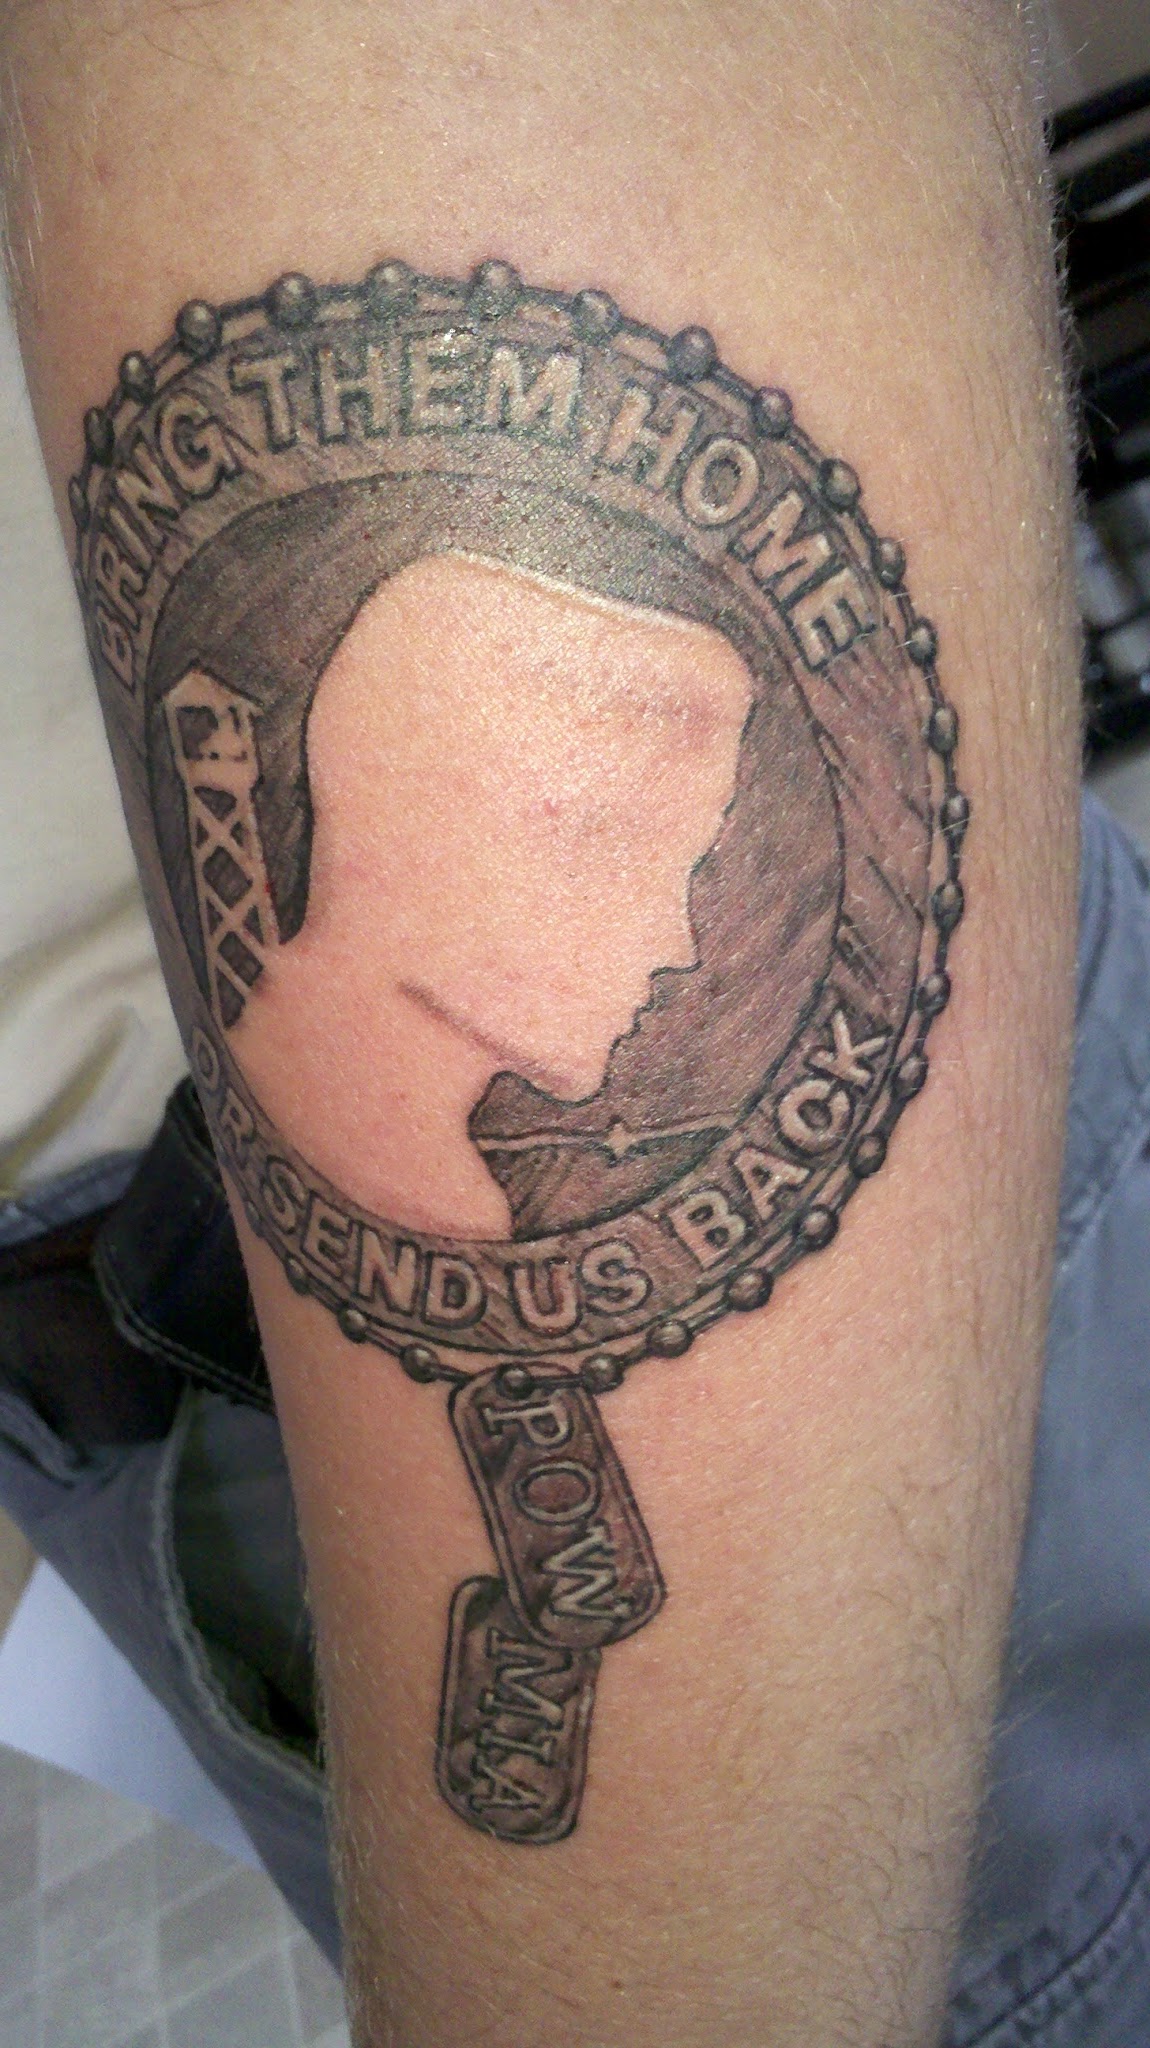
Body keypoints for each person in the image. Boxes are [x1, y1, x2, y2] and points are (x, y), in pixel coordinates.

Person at [2, 3, 1148, 2043]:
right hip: (139, 1337)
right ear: (443, 825)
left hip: (818, 1383)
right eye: (644, 850)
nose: (680, 934)